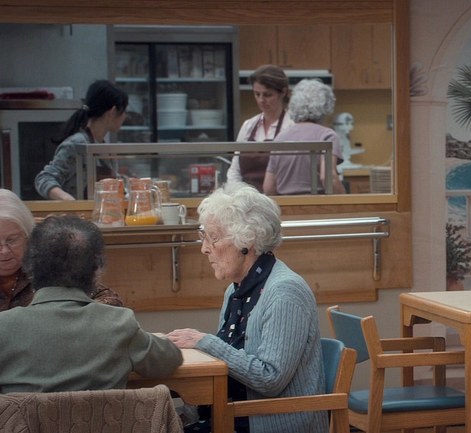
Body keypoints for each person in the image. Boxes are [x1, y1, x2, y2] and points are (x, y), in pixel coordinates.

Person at [167, 183, 327, 433]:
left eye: (213, 237)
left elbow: (271, 379)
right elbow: (226, 365)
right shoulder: (236, 290)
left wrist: (205, 342)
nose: (204, 248)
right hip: (235, 414)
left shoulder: (284, 291)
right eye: (204, 236)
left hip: (270, 423)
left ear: (247, 240)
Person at [0, 215, 182, 393]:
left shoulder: (4, 326)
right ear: (97, 270)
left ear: (29, 267)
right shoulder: (118, 323)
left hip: (22, 415)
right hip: (105, 415)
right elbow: (169, 359)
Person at [0, 188, 123, 311]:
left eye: (12, 240)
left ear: (27, 236)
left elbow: (109, 301)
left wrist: (69, 317)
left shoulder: (46, 266)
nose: (4, 251)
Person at [34, 80, 128, 200]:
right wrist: (69, 201)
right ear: (112, 112)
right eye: (124, 111)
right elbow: (44, 178)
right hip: (79, 212)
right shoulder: (77, 144)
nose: (125, 116)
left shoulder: (103, 148)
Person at [263, 79, 346, 195]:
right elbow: (328, 178)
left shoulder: (280, 138)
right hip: (317, 203)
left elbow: (268, 187)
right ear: (327, 106)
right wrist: (347, 200)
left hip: (285, 204)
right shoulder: (327, 136)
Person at [227, 64, 296, 189]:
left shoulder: (292, 126)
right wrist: (237, 193)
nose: (261, 100)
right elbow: (235, 170)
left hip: (279, 196)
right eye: (257, 94)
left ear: (283, 92)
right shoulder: (248, 126)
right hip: (247, 196)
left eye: (267, 95)